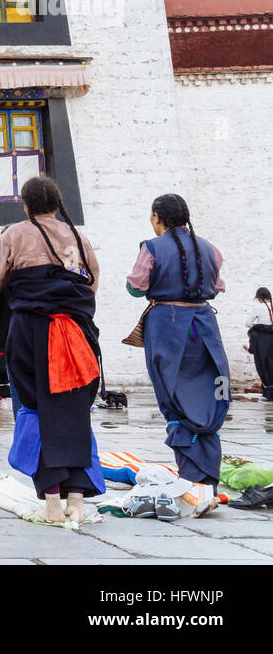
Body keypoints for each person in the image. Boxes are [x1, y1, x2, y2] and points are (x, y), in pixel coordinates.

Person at [0, 176, 103, 524]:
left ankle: (51, 502)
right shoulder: (78, 237)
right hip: (76, 332)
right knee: (75, 411)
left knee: (35, 408)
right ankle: (76, 501)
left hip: (32, 330)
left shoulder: (15, 234)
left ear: (25, 204)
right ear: (58, 202)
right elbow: (92, 280)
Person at [126, 193, 230, 517]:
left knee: (174, 400)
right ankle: (207, 483)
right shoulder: (210, 247)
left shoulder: (152, 248)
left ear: (158, 217)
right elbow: (217, 284)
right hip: (205, 327)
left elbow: (135, 287)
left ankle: (190, 481)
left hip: (168, 329)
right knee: (209, 398)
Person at [245, 287, 273, 401]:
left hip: (262, 339)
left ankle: (269, 392)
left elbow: (248, 323)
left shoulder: (258, 307)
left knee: (263, 365)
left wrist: (257, 326)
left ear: (260, 297)